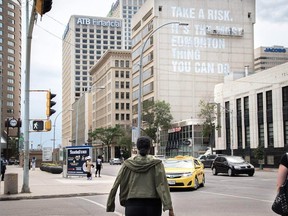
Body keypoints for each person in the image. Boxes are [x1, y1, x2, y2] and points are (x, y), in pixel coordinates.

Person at [106, 136, 174, 216]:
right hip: (153, 205)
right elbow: (162, 185)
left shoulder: (127, 164)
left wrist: (110, 204)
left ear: (137, 148)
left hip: (132, 204)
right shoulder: (157, 164)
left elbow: (117, 183)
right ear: (149, 148)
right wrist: (169, 207)